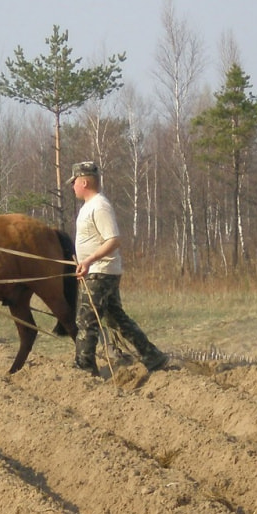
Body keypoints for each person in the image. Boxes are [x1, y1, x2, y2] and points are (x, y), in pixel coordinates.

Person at [67, 160, 170, 375]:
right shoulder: (90, 206)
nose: (72, 186)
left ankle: (84, 368)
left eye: (75, 181)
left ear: (84, 182)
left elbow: (113, 240)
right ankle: (153, 357)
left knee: (86, 320)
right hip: (98, 271)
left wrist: (88, 261)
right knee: (116, 319)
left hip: (100, 273)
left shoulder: (100, 206)